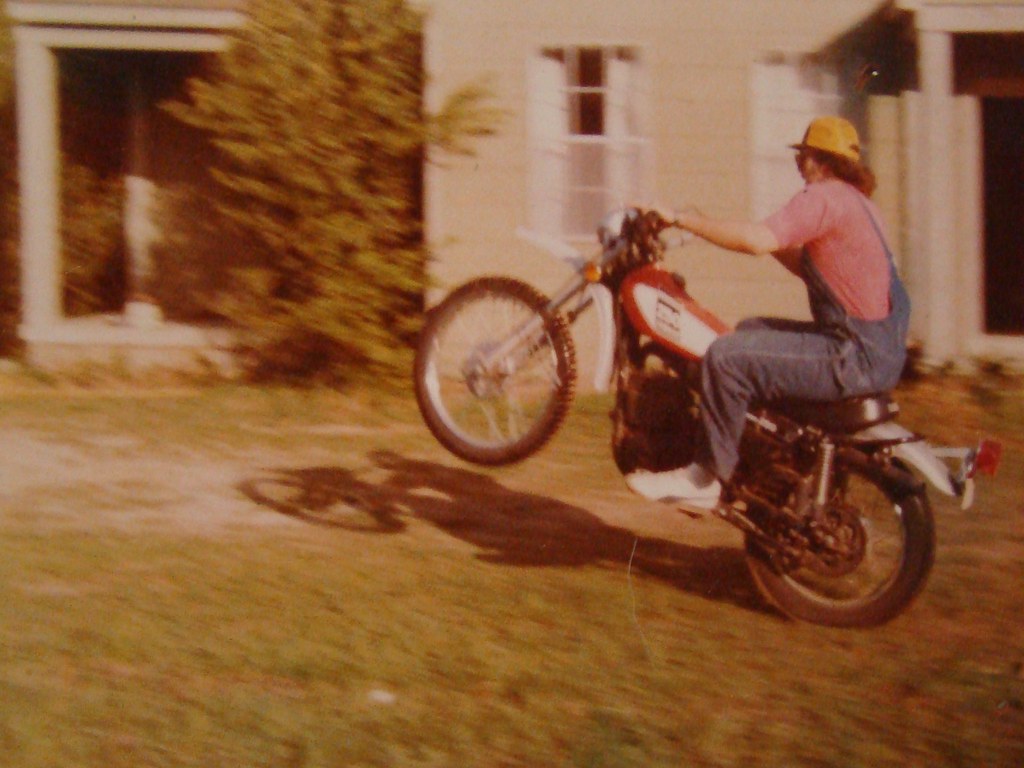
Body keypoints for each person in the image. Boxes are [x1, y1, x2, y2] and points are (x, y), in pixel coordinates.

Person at [626, 115, 911, 509]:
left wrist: (682, 219)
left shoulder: (823, 196)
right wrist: (722, 229)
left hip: (852, 354)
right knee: (747, 331)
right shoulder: (860, 206)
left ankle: (706, 476)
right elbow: (809, 266)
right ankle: (767, 462)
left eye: (802, 158)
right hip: (877, 350)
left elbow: (757, 241)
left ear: (818, 160)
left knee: (725, 357)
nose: (799, 167)